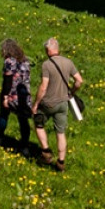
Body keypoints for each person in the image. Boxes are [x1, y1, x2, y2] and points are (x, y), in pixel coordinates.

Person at [31, 37, 83, 172]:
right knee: (60, 132)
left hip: (48, 103)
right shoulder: (68, 62)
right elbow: (79, 81)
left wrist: (36, 104)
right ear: (57, 49)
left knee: (38, 123)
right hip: (63, 103)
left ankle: (46, 152)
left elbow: (43, 87)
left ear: (48, 50)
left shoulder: (46, 65)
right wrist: (71, 91)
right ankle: (61, 162)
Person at [0, 38, 34, 153]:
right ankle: (25, 145)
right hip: (24, 95)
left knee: (4, 114)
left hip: (12, 94)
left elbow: (8, 81)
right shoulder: (26, 61)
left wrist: (5, 96)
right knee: (23, 120)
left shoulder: (9, 62)